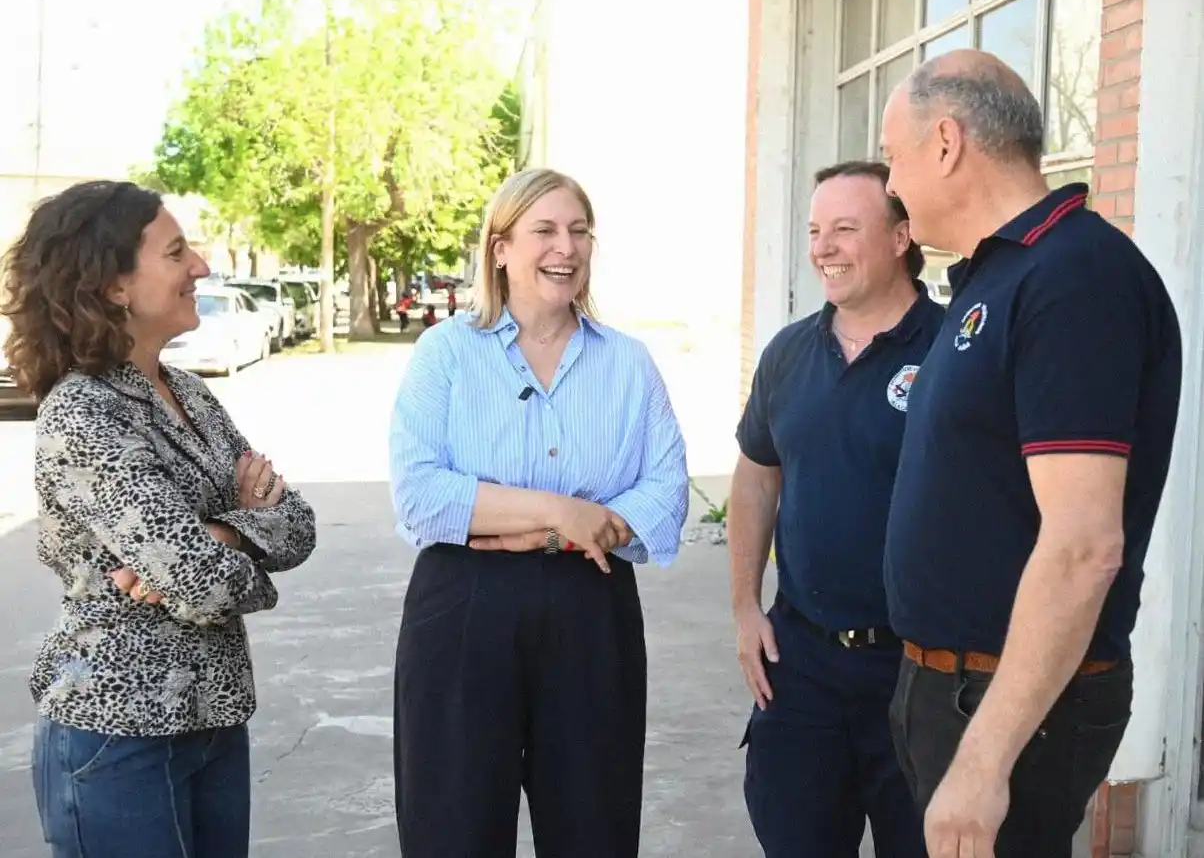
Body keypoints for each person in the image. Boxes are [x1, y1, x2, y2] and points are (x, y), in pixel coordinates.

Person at [879, 50, 1182, 858]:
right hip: (953, 689)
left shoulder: (1075, 278)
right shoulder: (1000, 276)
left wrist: (984, 761)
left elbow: (1084, 544)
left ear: (946, 142)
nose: (891, 184)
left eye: (893, 156)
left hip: (1004, 709)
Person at [1, 180, 318, 858]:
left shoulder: (191, 394)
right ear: (114, 285)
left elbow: (298, 524)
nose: (200, 265)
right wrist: (229, 538)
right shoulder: (83, 412)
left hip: (213, 721)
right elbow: (201, 584)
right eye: (176, 253)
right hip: (118, 734)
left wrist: (221, 533)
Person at [388, 167, 689, 858]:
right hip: (464, 606)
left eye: (580, 231)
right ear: (500, 248)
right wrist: (562, 511)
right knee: (453, 829)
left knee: (594, 827)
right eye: (545, 230)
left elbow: (666, 492)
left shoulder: (628, 363)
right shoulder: (446, 353)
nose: (566, 247)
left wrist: (554, 531)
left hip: (592, 605)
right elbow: (420, 495)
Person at [730, 161, 942, 858]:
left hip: (920, 671)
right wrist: (744, 607)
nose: (824, 248)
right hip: (801, 662)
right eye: (816, 230)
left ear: (901, 237)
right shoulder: (789, 353)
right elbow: (756, 476)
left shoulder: (953, 351)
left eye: (845, 229)